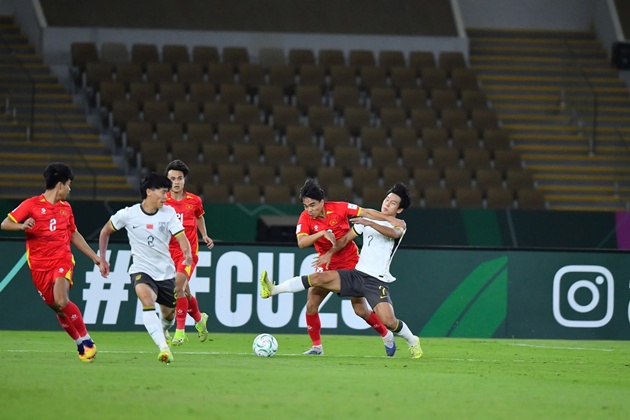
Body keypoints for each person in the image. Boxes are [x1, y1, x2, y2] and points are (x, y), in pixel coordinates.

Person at [260, 182, 423, 359]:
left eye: (393, 203)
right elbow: (345, 240)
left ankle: (410, 339)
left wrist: (369, 222)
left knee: (383, 319)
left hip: (374, 279)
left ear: (399, 209)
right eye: (387, 199)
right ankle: (274, 290)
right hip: (356, 273)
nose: (387, 203)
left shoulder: (399, 225)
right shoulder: (360, 222)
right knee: (316, 282)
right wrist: (329, 254)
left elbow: (394, 234)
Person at [1, 162, 101, 362]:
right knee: (58, 308)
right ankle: (79, 344)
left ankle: (87, 340)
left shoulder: (66, 208)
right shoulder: (31, 205)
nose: (69, 189)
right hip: (38, 266)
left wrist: (95, 257)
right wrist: (22, 226)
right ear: (60, 185)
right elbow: (5, 223)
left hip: (62, 259)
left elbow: (74, 234)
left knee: (62, 299)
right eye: (69, 185)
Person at [291, 178, 403, 356]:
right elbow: (301, 242)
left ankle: (386, 334)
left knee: (360, 310)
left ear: (322, 202)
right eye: (306, 206)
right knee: (311, 303)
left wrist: (389, 218)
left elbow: (365, 212)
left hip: (350, 262)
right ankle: (317, 347)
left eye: (312, 205)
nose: (309, 210)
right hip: (327, 262)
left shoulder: (340, 208)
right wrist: (321, 233)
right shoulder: (305, 217)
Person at [98, 173, 192, 365]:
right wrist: (102, 258)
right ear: (149, 192)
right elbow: (105, 231)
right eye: (163, 192)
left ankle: (163, 329)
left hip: (165, 273)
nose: (166, 196)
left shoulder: (168, 213)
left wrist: (187, 254)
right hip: (141, 270)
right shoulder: (128, 214)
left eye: (166, 192)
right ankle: (164, 348)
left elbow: (182, 238)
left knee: (168, 315)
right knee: (147, 301)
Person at [163, 160, 214, 346]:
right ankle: (200, 319)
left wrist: (205, 235)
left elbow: (199, 217)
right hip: (167, 253)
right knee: (184, 291)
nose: (176, 182)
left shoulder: (194, 201)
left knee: (178, 287)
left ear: (184, 180)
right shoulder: (162, 201)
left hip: (188, 253)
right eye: (172, 179)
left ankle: (180, 332)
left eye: (179, 178)